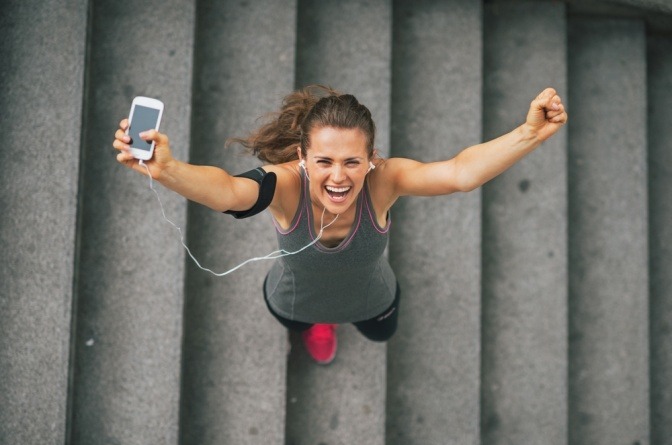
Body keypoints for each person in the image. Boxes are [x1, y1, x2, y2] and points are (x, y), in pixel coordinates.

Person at [114, 85, 567, 365]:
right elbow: (230, 192)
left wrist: (528, 133)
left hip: (374, 298)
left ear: (371, 159)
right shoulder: (286, 186)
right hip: (294, 299)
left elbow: (460, 173)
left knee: (381, 333)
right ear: (301, 158)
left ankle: (334, 320)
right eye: (324, 161)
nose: (338, 176)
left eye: (353, 161)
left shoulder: (384, 181)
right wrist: (168, 170)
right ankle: (319, 324)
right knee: (302, 323)